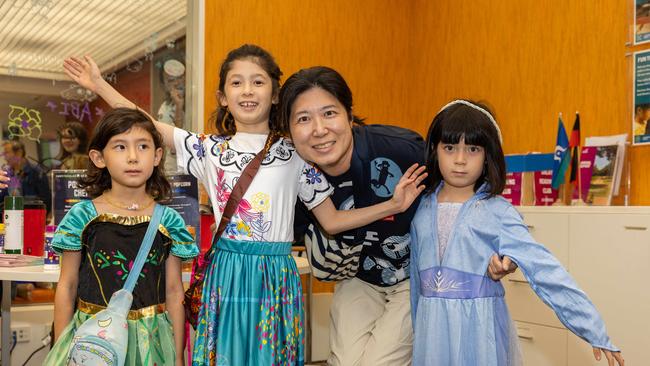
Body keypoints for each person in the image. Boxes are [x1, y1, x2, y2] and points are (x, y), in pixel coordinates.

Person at [63, 45, 426, 365]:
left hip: (275, 275)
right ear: (223, 96)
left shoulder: (297, 154)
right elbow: (148, 125)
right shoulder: (209, 150)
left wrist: (391, 204)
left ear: (274, 95)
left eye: (258, 81)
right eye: (237, 82)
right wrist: (99, 86)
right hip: (227, 271)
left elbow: (330, 221)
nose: (247, 90)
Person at [278, 66, 516, 366]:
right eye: (303, 119)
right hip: (358, 278)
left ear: (349, 116)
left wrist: (497, 244)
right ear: (289, 130)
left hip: (415, 274)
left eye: (329, 113)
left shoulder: (402, 151)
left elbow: (466, 183)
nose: (319, 129)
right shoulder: (291, 176)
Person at [409, 99, 624, 366]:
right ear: (434, 150)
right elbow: (415, 285)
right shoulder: (420, 208)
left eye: (473, 148)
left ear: (489, 155)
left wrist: (593, 328)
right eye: (450, 147)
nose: (460, 159)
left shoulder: (498, 212)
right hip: (432, 339)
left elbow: (546, 271)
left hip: (479, 337)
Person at [43, 108, 198, 365]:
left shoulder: (169, 221)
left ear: (158, 155)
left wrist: (178, 355)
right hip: (94, 342)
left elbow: (173, 291)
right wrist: (62, 347)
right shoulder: (82, 217)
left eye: (143, 146)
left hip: (152, 344)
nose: (133, 157)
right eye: (120, 147)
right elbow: (67, 286)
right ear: (98, 157)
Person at [0, 139, 52, 213]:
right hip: (9, 219)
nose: (5, 157)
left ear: (19, 153)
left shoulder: (37, 173)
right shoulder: (5, 174)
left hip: (31, 218)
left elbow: (46, 201)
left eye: (7, 153)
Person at [157, 58, 186, 174]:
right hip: (174, 170)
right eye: (170, 80)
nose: (176, 83)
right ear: (164, 85)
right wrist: (179, 107)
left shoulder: (196, 102)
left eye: (179, 77)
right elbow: (174, 141)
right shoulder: (165, 108)